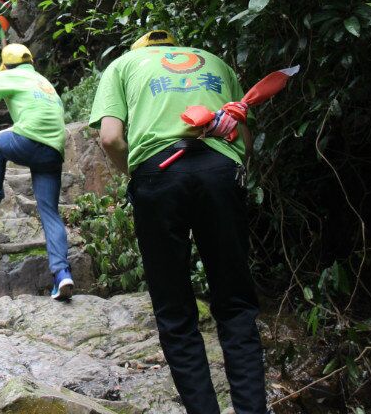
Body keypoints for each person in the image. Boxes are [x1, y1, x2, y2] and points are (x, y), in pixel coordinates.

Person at [89, 30, 266, 414]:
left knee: (175, 309)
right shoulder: (214, 60)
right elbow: (245, 140)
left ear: (141, 51)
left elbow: (110, 138)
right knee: (235, 302)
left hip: (159, 174)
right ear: (176, 49)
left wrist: (134, 174)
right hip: (221, 170)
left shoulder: (121, 65)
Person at [0, 44, 74, 300]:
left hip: (32, 139)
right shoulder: (43, 82)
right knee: (50, 213)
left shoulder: (9, 75)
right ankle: (62, 274)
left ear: (5, 65)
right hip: (53, 150)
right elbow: (33, 121)